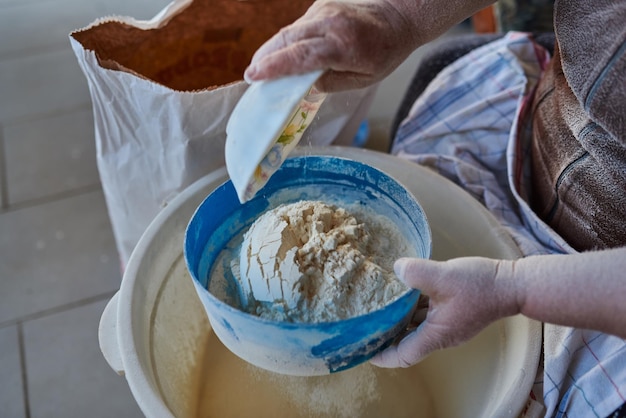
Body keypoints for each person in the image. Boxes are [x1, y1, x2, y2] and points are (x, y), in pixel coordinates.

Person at [244, 0, 626, 416]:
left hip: (597, 293)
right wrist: (396, 17)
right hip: (540, 135)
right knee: (437, 65)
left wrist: (513, 288)